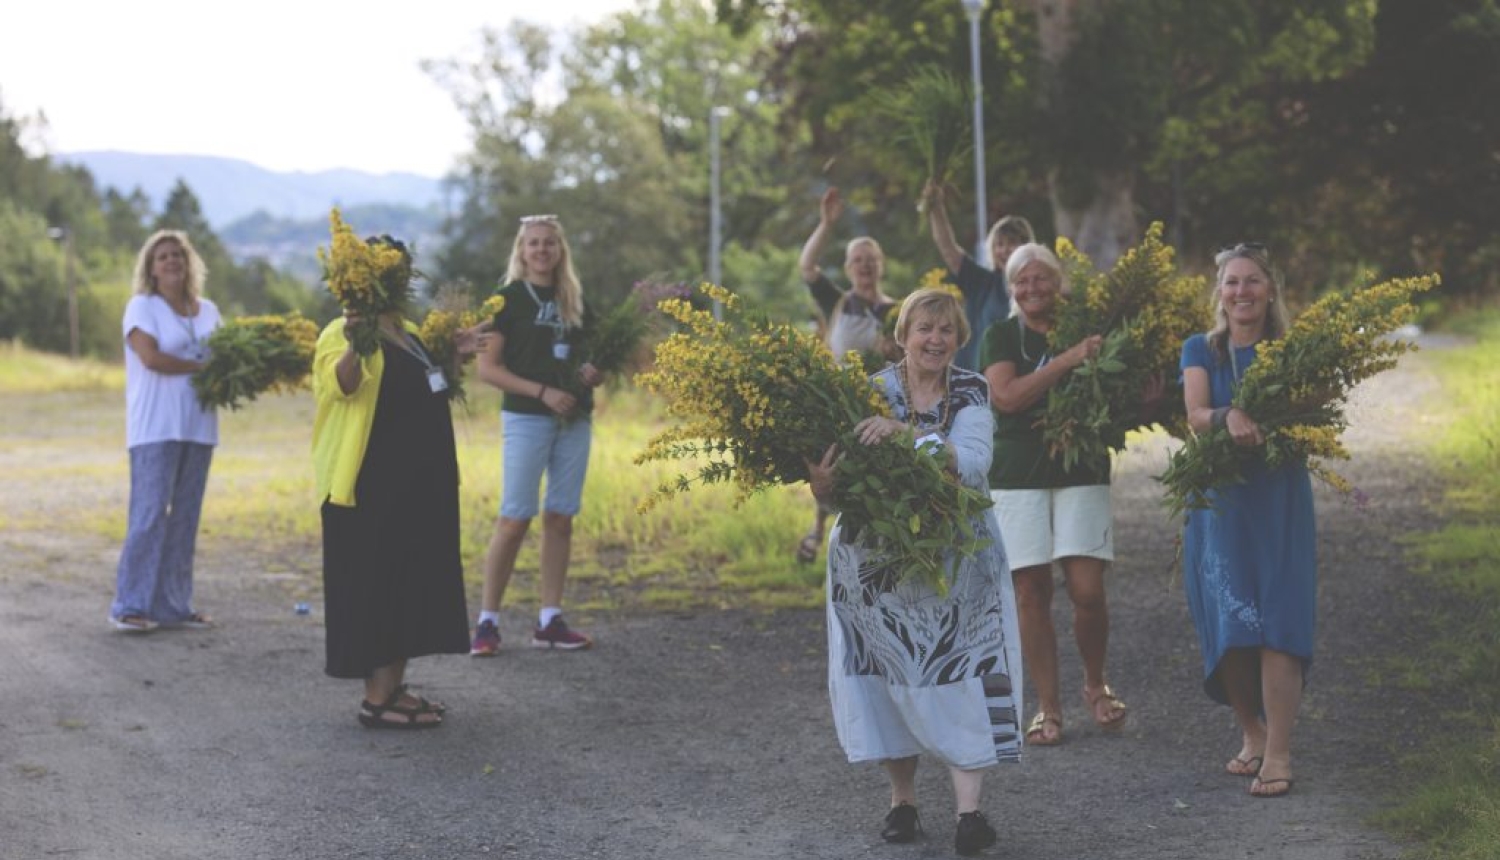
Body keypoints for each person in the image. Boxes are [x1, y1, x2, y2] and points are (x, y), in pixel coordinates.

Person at [809, 288, 1022, 856]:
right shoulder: (867, 391)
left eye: (946, 330)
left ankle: (969, 814)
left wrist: (909, 434)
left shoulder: (971, 389)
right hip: (874, 566)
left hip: (958, 562)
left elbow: (973, 464)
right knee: (887, 678)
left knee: (964, 675)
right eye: (924, 328)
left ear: (959, 338)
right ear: (901, 335)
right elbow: (840, 486)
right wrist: (822, 485)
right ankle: (902, 802)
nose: (935, 339)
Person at [312, 236, 484, 729]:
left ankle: (395, 687)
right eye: (388, 269)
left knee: (410, 585)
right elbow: (339, 386)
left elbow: (427, 390)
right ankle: (377, 700)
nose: (398, 277)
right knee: (377, 587)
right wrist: (355, 343)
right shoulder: (340, 332)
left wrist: (455, 358)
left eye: (401, 268)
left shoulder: (409, 332)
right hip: (369, 487)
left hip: (420, 484)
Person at [979, 243, 1128, 747]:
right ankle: (1047, 708)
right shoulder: (1000, 334)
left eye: (1041, 278)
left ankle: (1095, 682)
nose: (1031, 288)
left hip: (1081, 469)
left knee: (1087, 590)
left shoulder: (1086, 325)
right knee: (1030, 592)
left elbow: (1117, 391)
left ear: (1059, 281)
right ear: (1011, 288)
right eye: (1021, 281)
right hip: (1017, 477)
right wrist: (1068, 360)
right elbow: (1006, 396)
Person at [1179, 243, 1310, 798]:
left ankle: (1279, 752)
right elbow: (1195, 416)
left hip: (1278, 495)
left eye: (1252, 281)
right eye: (1231, 282)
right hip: (1221, 501)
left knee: (1279, 615)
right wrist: (1229, 414)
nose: (1241, 292)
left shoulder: (1295, 350)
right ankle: (1252, 732)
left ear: (1271, 289)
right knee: (1232, 623)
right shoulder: (1202, 349)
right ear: (1220, 294)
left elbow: (1314, 409)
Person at [469, 215, 603, 656]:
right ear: (521, 251)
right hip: (527, 417)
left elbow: (597, 356)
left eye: (549, 243)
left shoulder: (575, 301)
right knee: (515, 517)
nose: (542, 250)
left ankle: (550, 619)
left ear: (560, 250)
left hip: (574, 418)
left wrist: (593, 371)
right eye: (533, 244)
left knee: (561, 516)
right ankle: (487, 622)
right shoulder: (506, 301)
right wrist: (542, 392)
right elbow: (487, 369)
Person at [111, 230, 222, 633]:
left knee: (185, 519)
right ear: (151, 268)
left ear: (189, 261)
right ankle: (130, 605)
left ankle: (173, 606)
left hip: (199, 426)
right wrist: (201, 368)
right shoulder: (142, 307)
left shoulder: (208, 310)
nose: (172, 261)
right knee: (150, 514)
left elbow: (226, 355)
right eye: (162, 257)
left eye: (177, 254)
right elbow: (152, 358)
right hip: (155, 427)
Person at [795, 186, 901, 564]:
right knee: (832, 469)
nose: (865, 266)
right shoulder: (836, 301)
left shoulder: (897, 311)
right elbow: (807, 267)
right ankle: (825, 535)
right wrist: (826, 224)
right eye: (857, 260)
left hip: (883, 407)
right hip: (838, 400)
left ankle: (877, 549)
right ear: (847, 268)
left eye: (870, 260)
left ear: (880, 265)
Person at [922, 179, 1035, 372]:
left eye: (1012, 243)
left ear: (1026, 246)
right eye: (999, 244)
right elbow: (948, 249)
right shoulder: (981, 282)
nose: (1005, 250)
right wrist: (935, 206)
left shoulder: (1037, 288)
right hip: (975, 384)